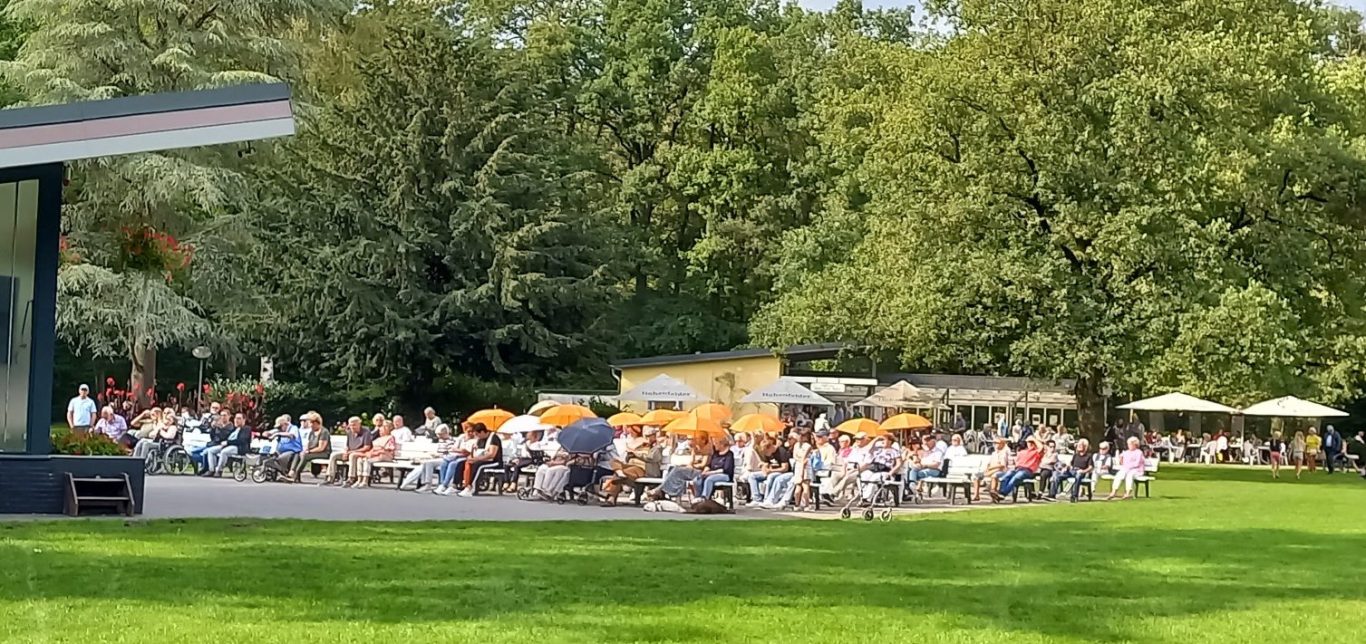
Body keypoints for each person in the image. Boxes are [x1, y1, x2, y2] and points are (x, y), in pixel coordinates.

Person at [456, 423, 503, 497]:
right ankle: (458, 485)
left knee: (478, 466)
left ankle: (471, 487)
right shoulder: (479, 439)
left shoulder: (494, 438)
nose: (476, 436)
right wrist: (472, 454)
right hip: (482, 459)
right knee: (461, 463)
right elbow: (476, 452)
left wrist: (476, 459)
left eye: (477, 434)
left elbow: (491, 454)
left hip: (494, 461)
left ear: (482, 432)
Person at [323, 417, 372, 486]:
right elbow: (347, 446)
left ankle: (351, 478)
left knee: (352, 455)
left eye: (354, 425)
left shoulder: (366, 432)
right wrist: (346, 452)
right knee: (334, 455)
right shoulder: (350, 432)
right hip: (350, 451)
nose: (352, 427)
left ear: (359, 424)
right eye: (351, 425)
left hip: (361, 453)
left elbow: (367, 447)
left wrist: (352, 451)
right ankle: (330, 477)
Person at [992, 436, 1041, 501]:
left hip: (1028, 471)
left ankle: (1003, 494)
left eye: (1031, 442)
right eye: (1028, 442)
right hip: (1018, 469)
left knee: (1015, 477)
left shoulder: (1036, 452)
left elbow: (1041, 447)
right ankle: (1000, 493)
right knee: (1007, 475)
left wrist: (1034, 439)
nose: (1029, 443)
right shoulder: (1021, 452)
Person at [1045, 438, 1094, 502]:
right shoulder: (1076, 455)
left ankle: (1074, 496)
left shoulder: (1088, 456)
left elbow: (1090, 467)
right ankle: (1052, 494)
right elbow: (1071, 463)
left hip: (1080, 472)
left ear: (1085, 447)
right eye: (1078, 445)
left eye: (1080, 445)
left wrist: (1083, 471)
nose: (1078, 446)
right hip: (1072, 471)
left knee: (1078, 475)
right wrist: (1066, 467)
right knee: (1056, 474)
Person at [435, 424, 480, 495]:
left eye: (472, 431)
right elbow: (454, 448)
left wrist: (460, 450)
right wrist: (460, 450)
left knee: (452, 464)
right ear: (465, 431)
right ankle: (441, 484)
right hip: (455, 455)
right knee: (444, 463)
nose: (470, 433)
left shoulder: (475, 440)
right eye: (468, 431)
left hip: (464, 457)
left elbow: (468, 452)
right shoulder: (461, 437)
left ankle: (445, 484)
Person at [350, 422, 396, 488]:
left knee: (367, 460)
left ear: (387, 429)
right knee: (360, 459)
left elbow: (387, 450)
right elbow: (373, 449)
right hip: (375, 455)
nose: (380, 432)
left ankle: (365, 481)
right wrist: (369, 453)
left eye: (382, 430)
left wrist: (374, 453)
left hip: (385, 455)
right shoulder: (379, 438)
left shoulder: (390, 438)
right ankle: (359, 479)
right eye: (380, 431)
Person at [752, 435, 793, 509]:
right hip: (771, 471)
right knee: (752, 476)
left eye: (766, 452)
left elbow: (785, 468)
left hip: (783, 472)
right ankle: (756, 498)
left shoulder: (781, 452)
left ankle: (769, 500)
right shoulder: (768, 453)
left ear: (770, 448)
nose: (765, 454)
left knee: (772, 477)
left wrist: (771, 471)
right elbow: (766, 463)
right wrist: (764, 469)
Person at [291, 413, 332, 482]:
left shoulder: (324, 432)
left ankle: (296, 474)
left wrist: (309, 451)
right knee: (298, 454)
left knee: (305, 456)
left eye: (311, 423)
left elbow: (321, 448)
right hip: (313, 452)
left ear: (316, 423)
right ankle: (292, 471)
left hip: (324, 453)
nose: (310, 425)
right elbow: (309, 443)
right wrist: (305, 450)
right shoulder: (312, 432)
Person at [1105, 436, 1146, 500]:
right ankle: (1113, 492)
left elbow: (1137, 464)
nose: (1129, 445)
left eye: (1130, 444)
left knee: (1129, 475)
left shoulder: (1139, 452)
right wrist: (1121, 459)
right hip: (1127, 469)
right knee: (1119, 475)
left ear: (1135, 445)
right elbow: (1121, 460)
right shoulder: (1126, 452)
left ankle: (1127, 492)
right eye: (1128, 444)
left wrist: (1127, 466)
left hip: (1137, 470)